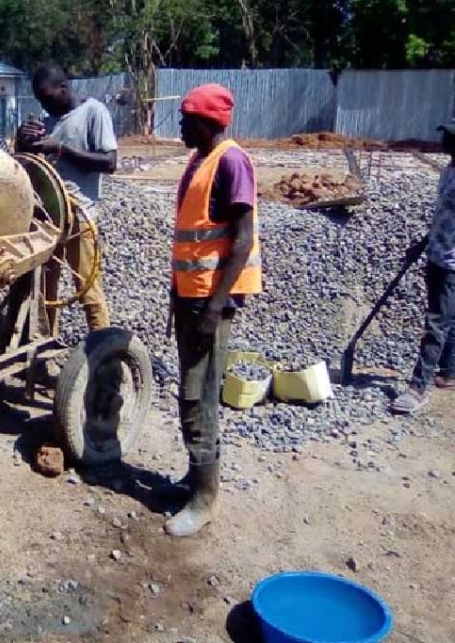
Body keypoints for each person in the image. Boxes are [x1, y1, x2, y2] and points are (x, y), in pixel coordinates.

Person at [162, 83, 261, 537]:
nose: (180, 127)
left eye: (186, 120)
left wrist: (213, 307)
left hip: (209, 301)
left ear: (206, 122)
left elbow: (241, 241)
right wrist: (178, 298)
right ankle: (197, 477)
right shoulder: (200, 158)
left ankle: (204, 499)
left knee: (197, 395)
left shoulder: (232, 161)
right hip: (192, 295)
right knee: (194, 390)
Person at [15, 63, 117, 333]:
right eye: (40, 100)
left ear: (64, 88)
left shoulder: (93, 112)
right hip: (48, 219)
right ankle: (45, 351)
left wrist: (60, 148)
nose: (44, 106)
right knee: (43, 291)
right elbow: (27, 164)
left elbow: (109, 162)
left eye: (48, 98)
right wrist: (21, 142)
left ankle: (104, 352)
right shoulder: (46, 120)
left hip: (80, 218)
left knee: (87, 288)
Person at [391, 119, 455, 414]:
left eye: (450, 137)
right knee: (448, 318)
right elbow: (445, 215)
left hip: (450, 263)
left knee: (437, 323)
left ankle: (417, 388)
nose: (445, 141)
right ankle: (449, 371)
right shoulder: (449, 171)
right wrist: (424, 242)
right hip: (437, 254)